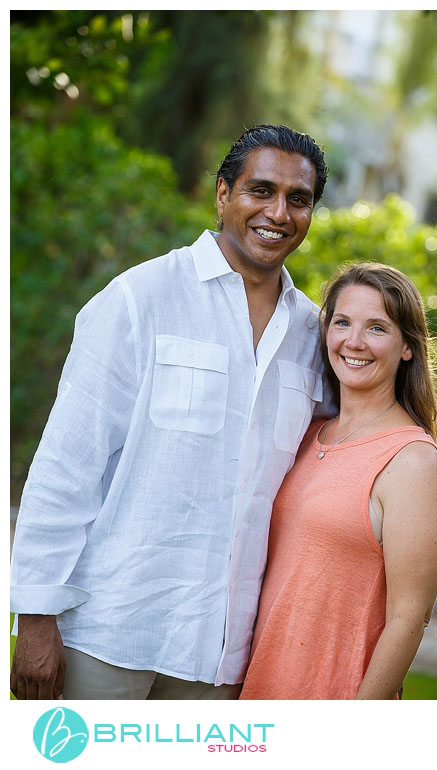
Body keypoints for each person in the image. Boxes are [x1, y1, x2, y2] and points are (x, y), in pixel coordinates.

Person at [10, 124, 329, 699]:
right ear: (222, 194)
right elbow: (65, 466)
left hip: (223, 653)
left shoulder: (313, 334)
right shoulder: (139, 299)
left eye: (299, 200)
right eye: (261, 191)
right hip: (110, 632)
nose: (279, 213)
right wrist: (34, 617)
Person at [240, 263, 437, 699]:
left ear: (407, 346)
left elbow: (409, 618)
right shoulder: (304, 434)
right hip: (261, 691)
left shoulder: (410, 461)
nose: (353, 342)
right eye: (342, 322)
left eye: (377, 328)